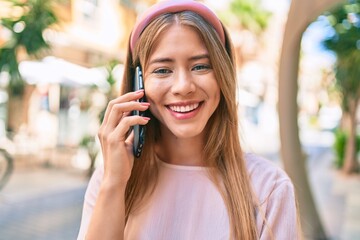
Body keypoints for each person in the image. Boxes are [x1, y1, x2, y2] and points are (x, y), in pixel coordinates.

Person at [77, 0, 301, 239]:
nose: (183, 87)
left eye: (201, 66)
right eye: (163, 70)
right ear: (138, 83)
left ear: (223, 75)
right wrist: (114, 184)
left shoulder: (270, 188)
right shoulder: (111, 177)